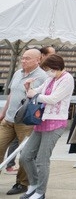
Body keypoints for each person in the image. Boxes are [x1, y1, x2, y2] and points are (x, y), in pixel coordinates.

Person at [18, 54, 73, 199]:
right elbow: (37, 91)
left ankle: (40, 191)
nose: (47, 72)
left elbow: (54, 98)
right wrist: (29, 88)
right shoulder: (50, 78)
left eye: (49, 69)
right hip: (41, 121)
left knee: (42, 159)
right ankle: (34, 185)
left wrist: (34, 95)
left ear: (56, 67)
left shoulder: (67, 79)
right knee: (25, 156)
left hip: (55, 122)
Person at [0, 48, 46, 196]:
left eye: (27, 58)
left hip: (25, 121)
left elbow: (39, 99)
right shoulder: (17, 73)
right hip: (9, 119)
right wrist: (3, 113)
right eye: (23, 58)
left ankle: (22, 183)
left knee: (25, 154)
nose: (23, 61)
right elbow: (12, 93)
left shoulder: (42, 77)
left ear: (38, 60)